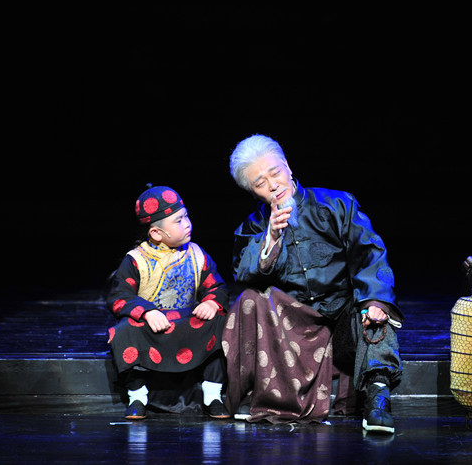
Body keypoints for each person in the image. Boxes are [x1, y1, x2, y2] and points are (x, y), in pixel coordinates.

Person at [222, 134, 402, 433]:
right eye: (260, 183)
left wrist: (374, 300)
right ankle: (259, 394)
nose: (273, 185)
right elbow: (244, 272)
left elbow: (370, 254)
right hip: (291, 326)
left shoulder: (337, 204)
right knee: (251, 299)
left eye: (275, 173)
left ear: (288, 166)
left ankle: (377, 398)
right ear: (252, 191)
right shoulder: (253, 226)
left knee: (373, 309)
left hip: (342, 315)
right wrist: (271, 237)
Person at [107, 185, 230, 420]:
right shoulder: (137, 259)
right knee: (125, 331)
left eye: (186, 217)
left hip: (186, 323)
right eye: (178, 221)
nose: (187, 224)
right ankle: (137, 397)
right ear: (156, 233)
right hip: (152, 327)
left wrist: (211, 303)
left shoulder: (197, 254)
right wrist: (147, 312)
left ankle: (213, 396)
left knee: (220, 321)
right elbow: (119, 297)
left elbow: (217, 286)